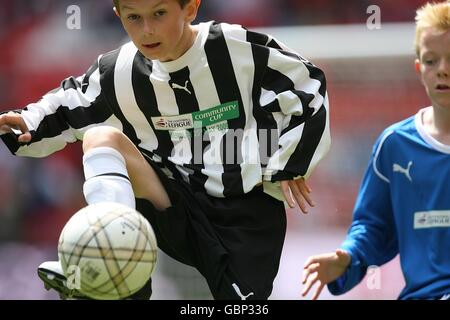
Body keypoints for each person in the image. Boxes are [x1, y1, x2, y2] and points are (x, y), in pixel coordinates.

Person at [0, 0, 330, 300]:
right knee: (101, 138)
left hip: (243, 216)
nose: (147, 30)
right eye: (134, 18)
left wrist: (289, 162)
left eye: (159, 14)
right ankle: (112, 262)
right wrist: (27, 123)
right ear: (119, 16)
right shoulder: (121, 69)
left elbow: (308, 85)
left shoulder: (235, 47)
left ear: (190, 8)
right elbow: (70, 102)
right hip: (172, 200)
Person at [302, 1, 450, 300]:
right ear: (419, 69)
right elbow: (374, 226)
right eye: (432, 61)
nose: (443, 71)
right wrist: (347, 257)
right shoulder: (395, 144)